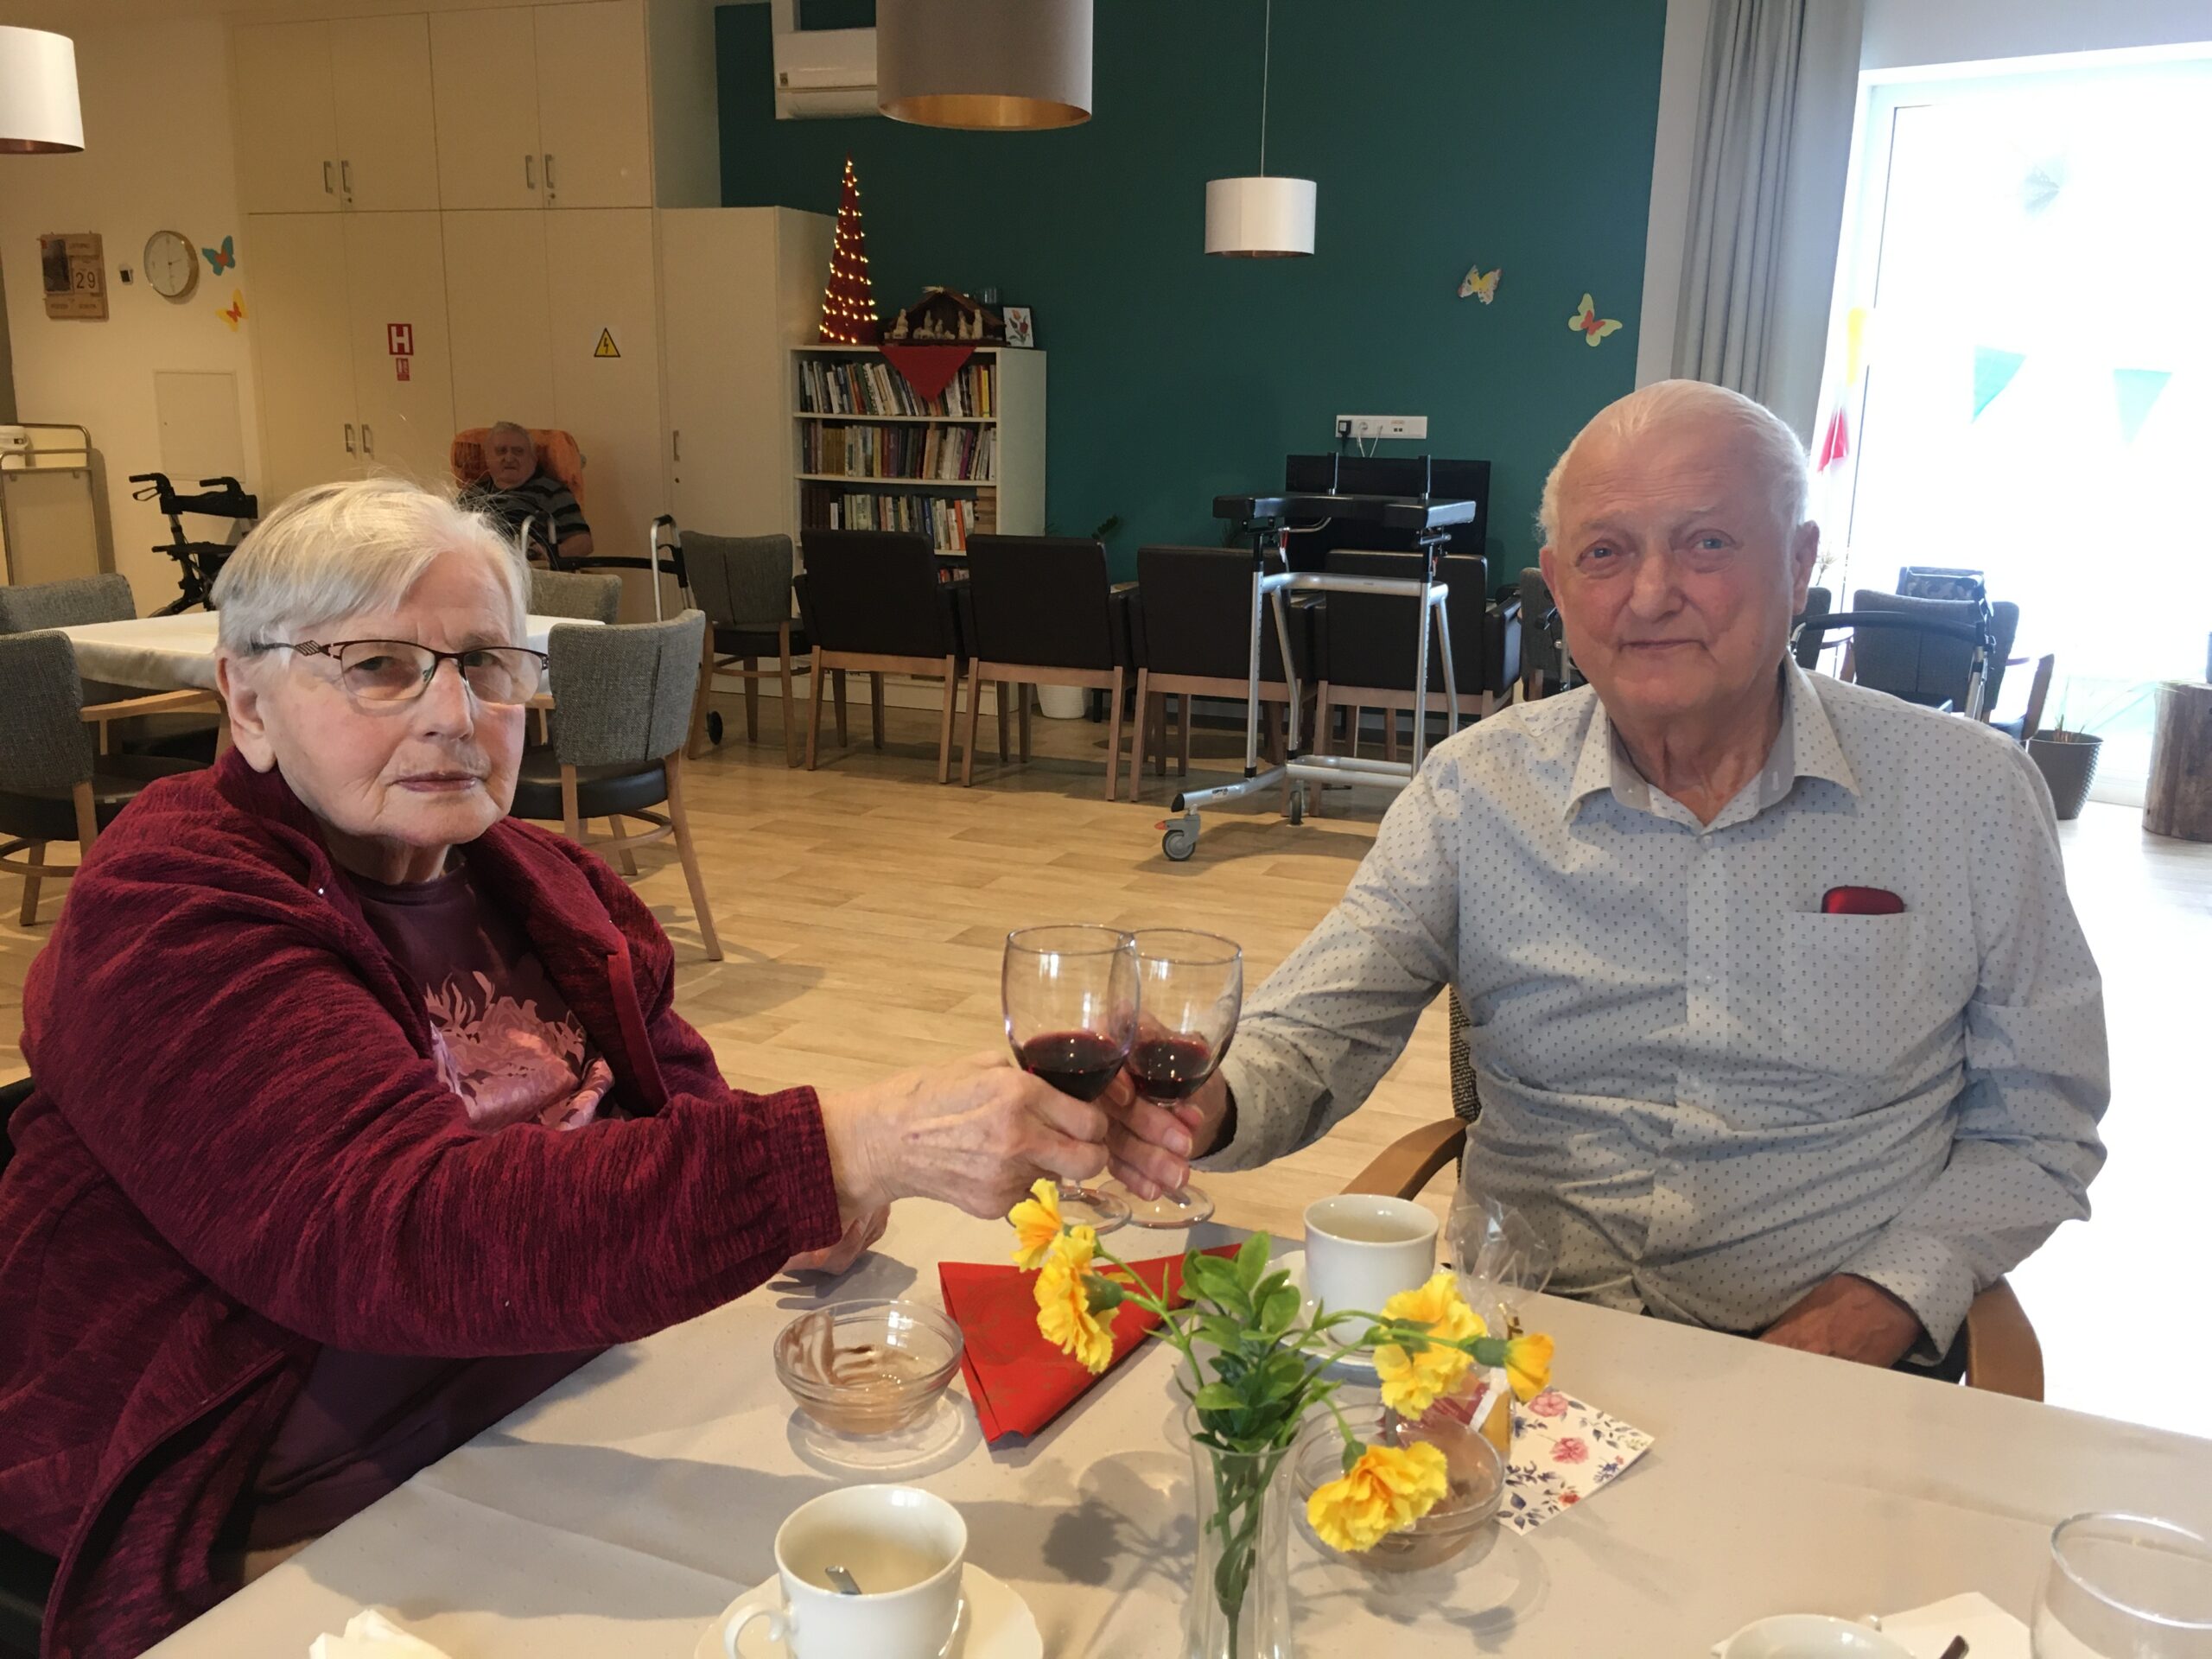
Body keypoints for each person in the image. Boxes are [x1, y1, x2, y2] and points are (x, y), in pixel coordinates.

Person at [0, 479, 1109, 1656]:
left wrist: (809, 1201)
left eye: (486, 663)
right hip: (303, 1506)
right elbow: (392, 1234)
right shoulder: (169, 902)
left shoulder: (551, 882)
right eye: (378, 667)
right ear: (247, 699)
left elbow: (690, 1121)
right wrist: (842, 1146)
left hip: (570, 1400)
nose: (454, 714)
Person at [1102, 379, 2107, 1376]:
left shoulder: (1966, 795)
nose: (1651, 594)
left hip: (1829, 1362)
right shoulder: (1475, 792)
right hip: (1523, 1348)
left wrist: (1884, 1299)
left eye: (1707, 543)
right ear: (1555, 584)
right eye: (1605, 552)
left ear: (1800, 564)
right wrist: (1195, 1098)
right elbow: (1315, 1029)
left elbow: (2040, 1124)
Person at [465, 420, 594, 563]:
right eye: (501, 451)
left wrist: (549, 553)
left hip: (529, 570)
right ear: (487, 457)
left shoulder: (552, 492)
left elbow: (584, 542)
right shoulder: (471, 494)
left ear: (533, 459)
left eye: (518, 451)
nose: (509, 458)